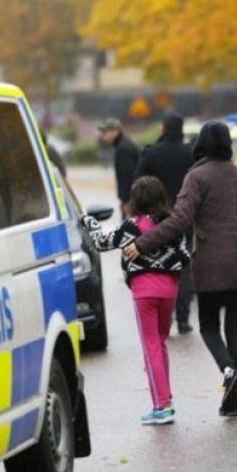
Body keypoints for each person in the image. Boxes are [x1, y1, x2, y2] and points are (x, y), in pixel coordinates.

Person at [124, 121, 237, 417]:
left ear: (201, 143)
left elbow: (179, 220)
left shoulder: (197, 176)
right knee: (235, 328)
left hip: (214, 263)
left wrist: (143, 243)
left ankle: (228, 371)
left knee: (209, 326)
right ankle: (233, 400)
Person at [80, 176, 191, 425]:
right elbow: (184, 255)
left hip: (144, 292)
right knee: (160, 343)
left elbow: (100, 243)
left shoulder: (131, 226)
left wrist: (89, 221)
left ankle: (162, 406)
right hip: (169, 291)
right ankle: (165, 398)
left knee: (150, 346)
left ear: (136, 200)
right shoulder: (171, 226)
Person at [135, 111, 194, 334]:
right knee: (184, 265)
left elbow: (137, 185)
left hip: (156, 219)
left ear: (163, 128)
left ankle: (163, 319)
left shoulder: (151, 154)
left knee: (158, 265)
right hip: (185, 217)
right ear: (181, 129)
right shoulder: (190, 153)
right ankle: (183, 319)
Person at [98, 118, 140, 218]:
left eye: (105, 132)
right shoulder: (123, 145)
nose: (103, 136)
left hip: (131, 201)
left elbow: (128, 177)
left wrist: (126, 201)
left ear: (115, 131)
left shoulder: (123, 149)